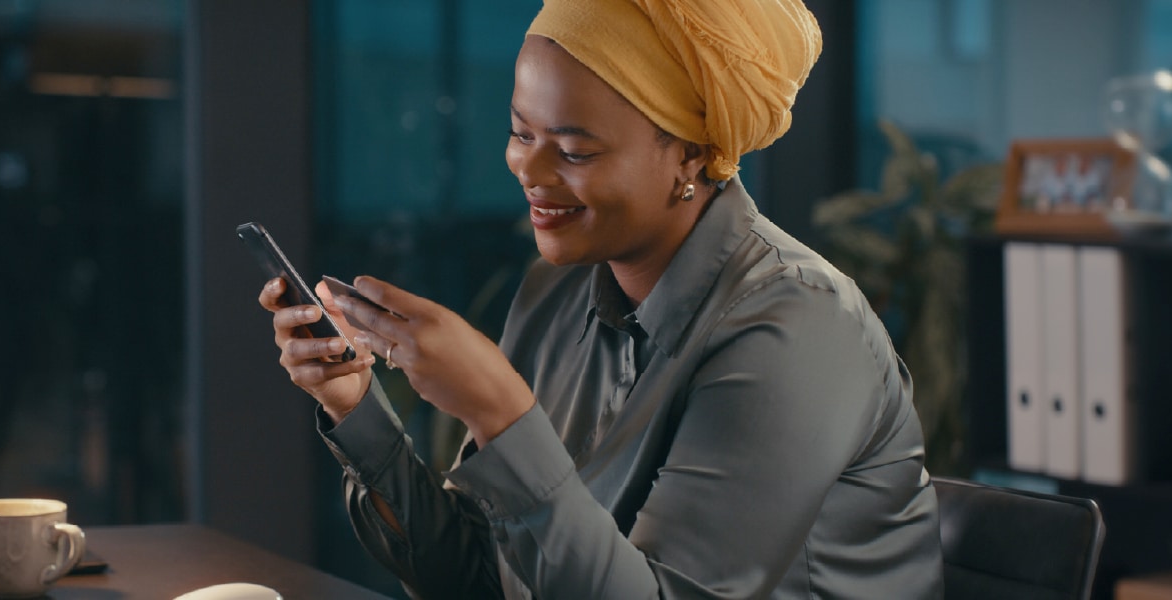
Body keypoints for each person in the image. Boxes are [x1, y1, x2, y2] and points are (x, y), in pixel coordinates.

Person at [258, 0, 944, 597]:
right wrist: (354, 406)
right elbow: (478, 580)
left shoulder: (798, 325)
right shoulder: (557, 291)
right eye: (521, 133)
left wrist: (500, 413)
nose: (528, 169)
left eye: (574, 152)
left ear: (691, 156)